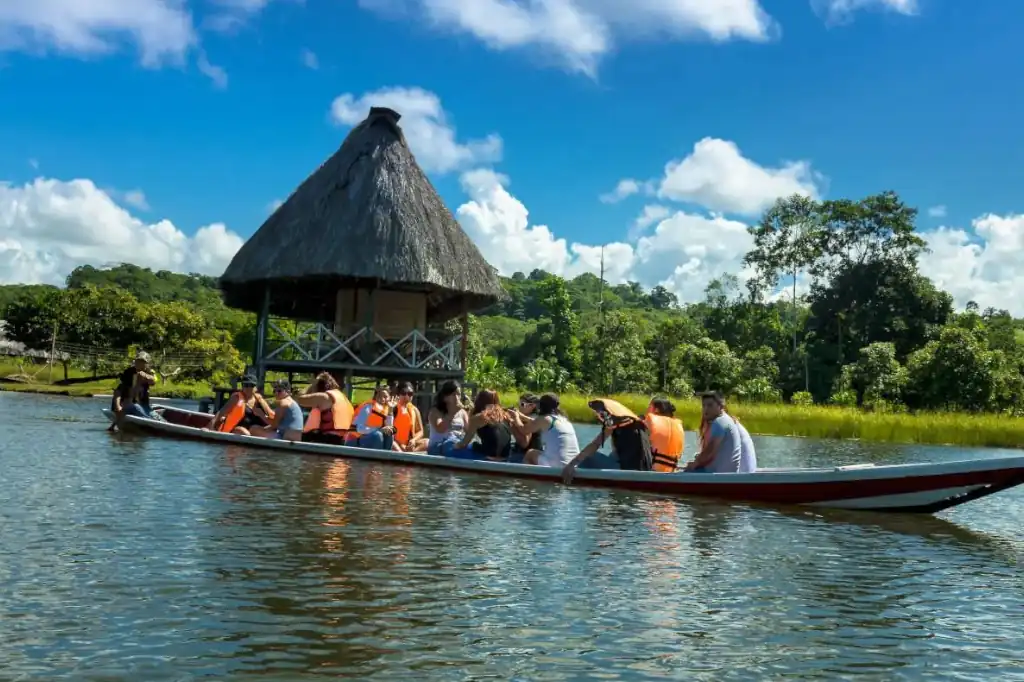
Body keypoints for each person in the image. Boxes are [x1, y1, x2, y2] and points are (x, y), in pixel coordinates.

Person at [561, 398, 653, 483]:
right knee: (611, 455)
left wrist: (572, 464)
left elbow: (595, 444)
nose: (600, 415)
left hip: (625, 470)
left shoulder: (614, 424)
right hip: (643, 469)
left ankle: (573, 479)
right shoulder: (638, 424)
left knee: (588, 457)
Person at [507, 393, 580, 469]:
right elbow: (534, 422)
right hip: (573, 464)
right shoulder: (564, 419)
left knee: (530, 454)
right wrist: (522, 416)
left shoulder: (545, 418)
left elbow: (524, 430)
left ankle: (526, 475)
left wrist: (515, 417)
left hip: (558, 464)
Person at [683, 391, 741, 473]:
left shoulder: (719, 422)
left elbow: (709, 452)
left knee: (686, 472)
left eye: (710, 405)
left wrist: (695, 463)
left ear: (721, 406)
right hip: (726, 473)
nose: (706, 409)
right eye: (704, 405)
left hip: (719, 475)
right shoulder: (726, 419)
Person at [452, 389, 513, 461]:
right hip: (506, 455)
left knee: (469, 446)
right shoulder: (505, 415)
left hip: (490, 455)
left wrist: (454, 446)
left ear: (479, 401)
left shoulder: (479, 417)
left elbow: (464, 443)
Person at [297, 372, 355, 445]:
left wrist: (312, 385)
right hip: (341, 440)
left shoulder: (324, 397)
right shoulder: (342, 397)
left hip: (326, 439)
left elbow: (299, 399)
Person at [109, 351, 161, 430]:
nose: (139, 364)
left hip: (141, 404)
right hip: (125, 403)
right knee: (132, 406)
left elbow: (153, 381)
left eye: (142, 362)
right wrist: (117, 406)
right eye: (137, 361)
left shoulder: (150, 372)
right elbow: (116, 389)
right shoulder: (127, 373)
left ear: (147, 364)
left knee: (155, 416)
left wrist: (146, 376)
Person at [206, 374, 274, 435]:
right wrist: (209, 426)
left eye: (251, 385)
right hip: (237, 429)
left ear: (255, 387)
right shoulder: (236, 398)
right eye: (245, 385)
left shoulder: (259, 399)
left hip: (256, 430)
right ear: (242, 386)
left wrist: (262, 415)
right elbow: (222, 412)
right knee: (245, 433)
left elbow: (272, 416)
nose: (248, 388)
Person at [426, 380, 469, 457]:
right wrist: (453, 413)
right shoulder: (435, 411)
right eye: (453, 394)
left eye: (458, 394)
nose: (457, 398)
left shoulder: (462, 412)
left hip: (456, 444)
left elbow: (469, 432)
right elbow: (440, 429)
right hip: (438, 446)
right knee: (449, 444)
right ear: (445, 397)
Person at [645, 397, 685, 472]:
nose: (647, 409)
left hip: (652, 470)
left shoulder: (650, 420)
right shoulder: (678, 425)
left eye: (649, 406)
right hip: (671, 471)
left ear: (656, 410)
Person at [351, 385, 397, 450]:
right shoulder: (367, 407)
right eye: (380, 396)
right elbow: (359, 428)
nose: (382, 399)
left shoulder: (387, 409)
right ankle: (378, 455)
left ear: (389, 398)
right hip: (356, 440)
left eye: (385, 396)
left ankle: (385, 455)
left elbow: (389, 427)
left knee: (390, 433)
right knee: (377, 435)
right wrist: (379, 430)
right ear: (375, 396)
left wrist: (391, 409)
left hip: (374, 438)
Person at [391, 381, 427, 452]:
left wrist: (413, 440)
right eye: (403, 393)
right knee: (392, 443)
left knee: (427, 442)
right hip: (395, 442)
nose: (407, 396)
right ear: (398, 394)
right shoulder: (393, 408)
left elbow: (420, 431)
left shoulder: (414, 410)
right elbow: (387, 429)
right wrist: (400, 444)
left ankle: (410, 453)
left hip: (409, 443)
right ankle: (403, 453)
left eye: (410, 394)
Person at [507, 393, 541, 462]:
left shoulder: (532, 419)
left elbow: (524, 444)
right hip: (522, 452)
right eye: (518, 404)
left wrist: (512, 423)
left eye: (522, 404)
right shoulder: (531, 417)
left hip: (525, 456)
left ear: (532, 406)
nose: (519, 406)